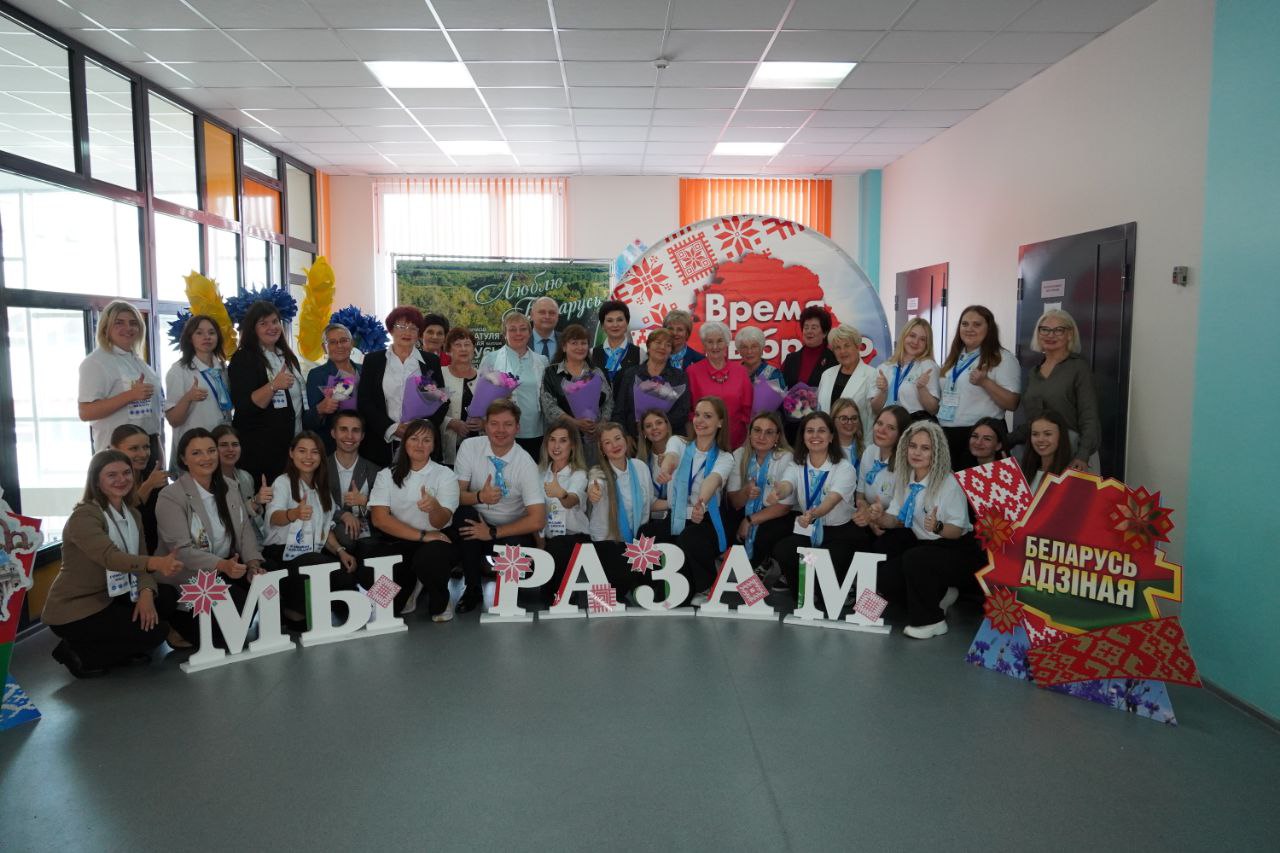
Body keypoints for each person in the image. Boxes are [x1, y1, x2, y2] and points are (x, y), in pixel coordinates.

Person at [42, 450, 183, 677]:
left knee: (166, 597)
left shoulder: (132, 514)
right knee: (156, 633)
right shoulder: (84, 516)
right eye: (112, 475)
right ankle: (75, 652)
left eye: (126, 473)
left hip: (116, 595)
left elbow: (140, 560)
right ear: (96, 481)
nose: (121, 479)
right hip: (79, 606)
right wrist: (157, 563)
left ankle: (122, 645)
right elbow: (111, 558)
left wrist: (146, 592)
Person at [869, 421, 984, 639]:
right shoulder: (905, 479)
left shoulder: (949, 483)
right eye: (913, 446)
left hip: (957, 549)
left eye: (925, 448)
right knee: (888, 574)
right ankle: (939, 595)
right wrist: (879, 516)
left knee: (915, 558)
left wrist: (938, 527)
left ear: (936, 453)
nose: (917, 452)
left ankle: (932, 621)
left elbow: (957, 530)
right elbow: (896, 520)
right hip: (926, 547)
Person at [154, 429, 266, 648]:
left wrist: (253, 564)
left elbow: (244, 531)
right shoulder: (171, 496)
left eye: (211, 451)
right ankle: (175, 622)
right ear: (183, 459)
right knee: (225, 636)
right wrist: (222, 565)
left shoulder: (229, 486)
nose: (206, 458)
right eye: (196, 453)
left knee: (263, 585)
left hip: (224, 570)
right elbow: (181, 551)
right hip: (189, 576)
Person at [451, 400, 548, 614]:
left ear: (517, 428)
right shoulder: (469, 447)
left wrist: (493, 532)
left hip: (510, 530)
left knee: (522, 563)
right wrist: (479, 496)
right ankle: (472, 588)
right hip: (477, 524)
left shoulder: (526, 463)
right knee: (464, 515)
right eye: (494, 424)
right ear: (485, 425)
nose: (500, 430)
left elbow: (538, 519)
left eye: (508, 424)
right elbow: (453, 497)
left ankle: (501, 585)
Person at [263, 431, 359, 630]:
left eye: (314, 452)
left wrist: (340, 551)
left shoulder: (321, 488)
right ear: (291, 453)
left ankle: (347, 612)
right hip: (283, 554)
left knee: (344, 570)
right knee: (321, 565)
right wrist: (294, 513)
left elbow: (326, 529)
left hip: (311, 553)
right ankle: (291, 609)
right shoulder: (282, 482)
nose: (308, 457)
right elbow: (274, 517)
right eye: (302, 451)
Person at [768, 412, 862, 608]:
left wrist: (814, 514)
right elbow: (787, 484)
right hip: (809, 530)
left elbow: (831, 500)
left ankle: (832, 589)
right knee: (784, 549)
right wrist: (779, 491)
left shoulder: (844, 468)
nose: (815, 436)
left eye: (821, 431)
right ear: (803, 436)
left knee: (827, 567)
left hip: (838, 534)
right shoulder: (797, 465)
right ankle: (807, 592)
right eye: (810, 431)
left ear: (831, 436)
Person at [369, 419, 459, 622]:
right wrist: (422, 536)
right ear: (404, 441)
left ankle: (441, 600)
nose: (419, 445)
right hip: (401, 538)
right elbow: (379, 520)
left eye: (426, 440)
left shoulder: (445, 475)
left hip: (437, 540)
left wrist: (434, 507)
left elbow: (441, 521)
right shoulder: (386, 475)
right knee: (389, 604)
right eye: (414, 439)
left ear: (434, 445)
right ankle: (411, 586)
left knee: (429, 559)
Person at [658, 397, 734, 605]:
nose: (700, 420)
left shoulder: (725, 457)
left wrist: (701, 502)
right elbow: (672, 458)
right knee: (647, 537)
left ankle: (706, 584)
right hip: (677, 515)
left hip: (706, 518)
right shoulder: (678, 442)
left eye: (707, 416)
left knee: (689, 537)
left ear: (720, 422)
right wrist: (665, 470)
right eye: (698, 415)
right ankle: (652, 586)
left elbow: (712, 480)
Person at [356, 306, 447, 467]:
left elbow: (442, 401)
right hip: (381, 441)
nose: (407, 332)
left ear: (419, 333)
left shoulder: (431, 361)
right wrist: (391, 428)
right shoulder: (373, 361)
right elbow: (365, 401)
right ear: (391, 330)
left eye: (413, 328)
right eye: (401, 326)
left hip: (421, 441)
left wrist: (423, 427)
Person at [227, 300, 306, 484]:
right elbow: (245, 406)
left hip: (291, 444)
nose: (272, 327)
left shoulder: (286, 355)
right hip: (261, 450)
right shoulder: (244, 358)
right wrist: (273, 386)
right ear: (252, 329)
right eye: (263, 323)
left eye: (275, 321)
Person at [1013, 309, 1101, 472]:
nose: (1050, 335)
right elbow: (1033, 419)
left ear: (1070, 334)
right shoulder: (1034, 373)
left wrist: (1083, 455)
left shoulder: (1078, 368)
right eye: (1045, 329)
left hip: (1074, 453)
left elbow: (1089, 416)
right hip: (1040, 454)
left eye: (1058, 330)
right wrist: (1005, 439)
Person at [937, 305, 1021, 470]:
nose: (969, 329)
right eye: (965, 324)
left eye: (977, 324)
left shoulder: (1002, 358)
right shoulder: (955, 357)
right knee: (951, 485)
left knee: (978, 485)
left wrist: (985, 382)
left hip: (979, 437)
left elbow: (1012, 403)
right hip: (947, 433)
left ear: (989, 329)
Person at [78, 299, 163, 454]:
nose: (128, 328)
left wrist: (158, 448)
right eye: (119, 323)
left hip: (147, 446)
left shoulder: (138, 362)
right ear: (106, 327)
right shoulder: (96, 362)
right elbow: (86, 412)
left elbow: (151, 412)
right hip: (118, 452)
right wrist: (131, 395)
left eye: (133, 323)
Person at [586, 422, 655, 604]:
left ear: (626, 440)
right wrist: (593, 492)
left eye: (617, 438)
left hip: (638, 541)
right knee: (617, 589)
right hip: (608, 541)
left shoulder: (640, 467)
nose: (614, 445)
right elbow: (594, 485)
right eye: (607, 443)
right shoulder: (598, 472)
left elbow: (651, 502)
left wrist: (677, 503)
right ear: (602, 449)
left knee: (653, 590)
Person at [164, 314, 233, 473]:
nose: (206, 337)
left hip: (221, 445)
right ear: (190, 338)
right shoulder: (179, 371)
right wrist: (188, 398)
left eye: (211, 332)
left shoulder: (222, 369)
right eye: (199, 333)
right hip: (195, 449)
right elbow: (173, 420)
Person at [727, 411, 794, 571]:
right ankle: (736, 569)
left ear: (777, 437)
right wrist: (746, 492)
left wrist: (750, 520)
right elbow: (735, 502)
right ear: (749, 433)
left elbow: (785, 507)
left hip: (777, 513)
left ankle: (760, 568)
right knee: (726, 525)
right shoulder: (739, 454)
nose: (761, 437)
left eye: (769, 432)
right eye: (757, 430)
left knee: (764, 534)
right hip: (746, 509)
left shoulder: (785, 457)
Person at [479, 311, 549, 459]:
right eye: (512, 329)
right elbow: (481, 398)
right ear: (505, 334)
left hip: (535, 432)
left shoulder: (542, 361)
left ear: (530, 333)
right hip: (501, 432)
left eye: (523, 329)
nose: (518, 333)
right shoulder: (491, 359)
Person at [536, 420, 591, 606]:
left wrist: (561, 494)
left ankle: (561, 595)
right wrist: (540, 543)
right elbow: (534, 512)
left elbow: (571, 501)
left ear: (572, 445)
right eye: (552, 440)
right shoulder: (539, 473)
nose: (556, 446)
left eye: (563, 440)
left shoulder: (579, 474)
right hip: (546, 537)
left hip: (575, 537)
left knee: (558, 548)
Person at [539, 323, 613, 458]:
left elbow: (609, 401)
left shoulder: (596, 372)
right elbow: (549, 406)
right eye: (574, 343)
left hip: (594, 439)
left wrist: (601, 424)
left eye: (583, 343)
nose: (580, 347)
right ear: (564, 347)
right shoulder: (551, 372)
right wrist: (575, 423)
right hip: (563, 441)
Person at [613, 328, 690, 438]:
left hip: (669, 438)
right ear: (648, 347)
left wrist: (656, 426)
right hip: (634, 438)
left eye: (668, 345)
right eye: (658, 342)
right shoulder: (631, 374)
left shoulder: (679, 376)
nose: (662, 347)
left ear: (671, 352)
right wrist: (625, 436)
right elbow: (619, 410)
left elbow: (683, 412)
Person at [686, 321, 752, 448]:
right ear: (704, 344)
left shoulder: (741, 371)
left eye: (720, 341)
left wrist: (746, 444)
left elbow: (747, 411)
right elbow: (689, 412)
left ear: (727, 343)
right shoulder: (692, 372)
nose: (715, 346)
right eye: (710, 342)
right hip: (703, 442)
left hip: (737, 442)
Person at [326, 411, 379, 557]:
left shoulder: (375, 472)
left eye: (355, 430)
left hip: (368, 543)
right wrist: (342, 515)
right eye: (343, 429)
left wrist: (365, 502)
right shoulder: (320, 468)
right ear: (333, 433)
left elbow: (386, 512)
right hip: (328, 540)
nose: (349, 436)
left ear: (362, 436)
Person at [854, 405, 912, 539]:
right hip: (871, 520)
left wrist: (878, 520)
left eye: (891, 428)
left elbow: (905, 518)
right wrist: (869, 517)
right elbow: (860, 496)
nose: (881, 430)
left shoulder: (906, 465)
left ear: (901, 435)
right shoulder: (870, 451)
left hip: (897, 527)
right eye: (879, 423)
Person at [304, 322, 362, 454]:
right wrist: (320, 409)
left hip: (364, 443)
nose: (339, 346)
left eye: (343, 340)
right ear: (324, 348)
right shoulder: (317, 375)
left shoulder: (365, 370)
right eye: (332, 342)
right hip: (332, 447)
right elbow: (308, 422)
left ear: (351, 343)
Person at [110, 424, 168, 553]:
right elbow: (123, 518)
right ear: (115, 450)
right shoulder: (109, 482)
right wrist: (148, 485)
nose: (143, 454)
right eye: (134, 448)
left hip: (157, 553)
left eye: (146, 447)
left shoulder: (154, 476)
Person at [817, 323, 876, 448]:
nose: (842, 351)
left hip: (857, 446)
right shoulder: (827, 375)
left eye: (847, 346)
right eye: (837, 348)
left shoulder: (872, 375)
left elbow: (873, 418)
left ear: (857, 346)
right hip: (827, 444)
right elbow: (820, 410)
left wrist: (867, 449)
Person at [871, 317, 940, 417]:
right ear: (904, 336)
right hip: (888, 424)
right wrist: (883, 391)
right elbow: (875, 410)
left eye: (922, 339)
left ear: (927, 344)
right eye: (912, 336)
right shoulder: (884, 367)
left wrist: (922, 389)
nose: (915, 342)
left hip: (914, 425)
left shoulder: (928, 367)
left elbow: (933, 409)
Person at [211, 424, 270, 536]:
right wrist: (255, 501)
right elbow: (226, 520)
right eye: (223, 445)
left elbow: (254, 519)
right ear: (212, 449)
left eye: (235, 444)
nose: (230, 449)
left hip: (255, 538)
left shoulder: (246, 477)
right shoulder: (209, 482)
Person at [440, 327, 480, 465]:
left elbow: (494, 411)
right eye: (457, 345)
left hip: (478, 448)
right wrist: (450, 423)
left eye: (467, 344)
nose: (463, 349)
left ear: (473, 349)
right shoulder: (439, 374)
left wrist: (484, 423)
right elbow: (428, 410)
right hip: (447, 448)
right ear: (448, 350)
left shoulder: (485, 377)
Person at [636, 409, 676, 538]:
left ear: (667, 426)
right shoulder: (640, 462)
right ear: (644, 433)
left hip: (682, 518)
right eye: (648, 426)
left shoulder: (683, 453)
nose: (654, 428)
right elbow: (644, 501)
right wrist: (673, 503)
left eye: (659, 423)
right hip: (653, 522)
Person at [591, 300, 644, 388]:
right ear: (602, 326)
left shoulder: (640, 354)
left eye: (620, 320)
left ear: (627, 323)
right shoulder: (592, 353)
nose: (615, 325)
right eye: (610, 320)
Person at [781, 305, 836, 389]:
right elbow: (779, 388)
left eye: (814, 328)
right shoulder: (790, 359)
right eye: (806, 327)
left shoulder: (833, 359)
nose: (809, 331)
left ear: (824, 333)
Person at [1021, 409, 1074, 493]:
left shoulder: (1072, 477)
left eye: (1047, 434)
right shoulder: (1024, 472)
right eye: (1035, 434)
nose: (1040, 439)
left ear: (1061, 436)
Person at [830, 398, 865, 478]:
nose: (849, 422)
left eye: (854, 418)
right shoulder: (826, 450)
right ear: (833, 420)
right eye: (844, 418)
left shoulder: (865, 450)